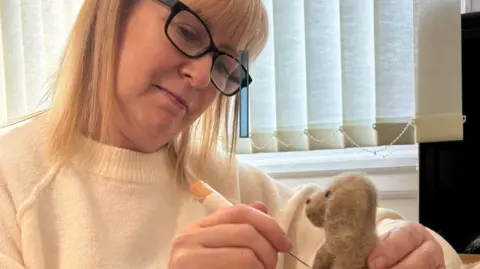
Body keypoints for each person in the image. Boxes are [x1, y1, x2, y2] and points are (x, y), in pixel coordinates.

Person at [0, 0, 464, 268]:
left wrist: (406, 244)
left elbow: (395, 235)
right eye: (186, 31)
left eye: (226, 64)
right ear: (112, 12)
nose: (203, 77)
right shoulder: (13, 182)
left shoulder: (221, 181)